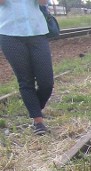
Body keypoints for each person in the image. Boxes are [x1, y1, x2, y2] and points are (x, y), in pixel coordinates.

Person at [0, 0, 54, 135]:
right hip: (9, 33)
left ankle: (35, 108)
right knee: (25, 80)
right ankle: (38, 122)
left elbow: (43, 2)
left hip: (37, 31)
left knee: (46, 81)